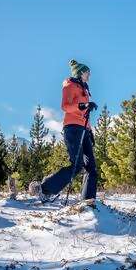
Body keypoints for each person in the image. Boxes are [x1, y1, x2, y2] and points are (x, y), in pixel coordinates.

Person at [29, 60, 99, 206]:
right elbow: (66, 106)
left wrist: (90, 131)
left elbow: (85, 114)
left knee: (91, 166)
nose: (89, 75)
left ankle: (88, 200)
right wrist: (84, 105)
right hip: (72, 128)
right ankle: (45, 189)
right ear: (80, 73)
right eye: (87, 72)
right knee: (77, 165)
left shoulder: (84, 89)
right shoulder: (69, 85)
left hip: (84, 129)